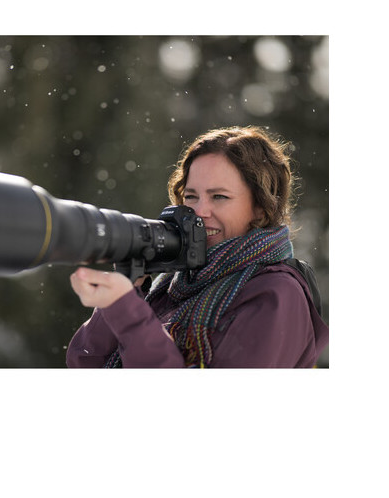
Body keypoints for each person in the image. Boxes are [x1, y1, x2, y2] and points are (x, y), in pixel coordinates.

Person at [66, 125, 329, 368]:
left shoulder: (277, 293)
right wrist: (123, 294)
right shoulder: (175, 284)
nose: (200, 211)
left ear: (261, 207)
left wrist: (128, 316)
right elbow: (84, 363)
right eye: (191, 196)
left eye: (219, 196)